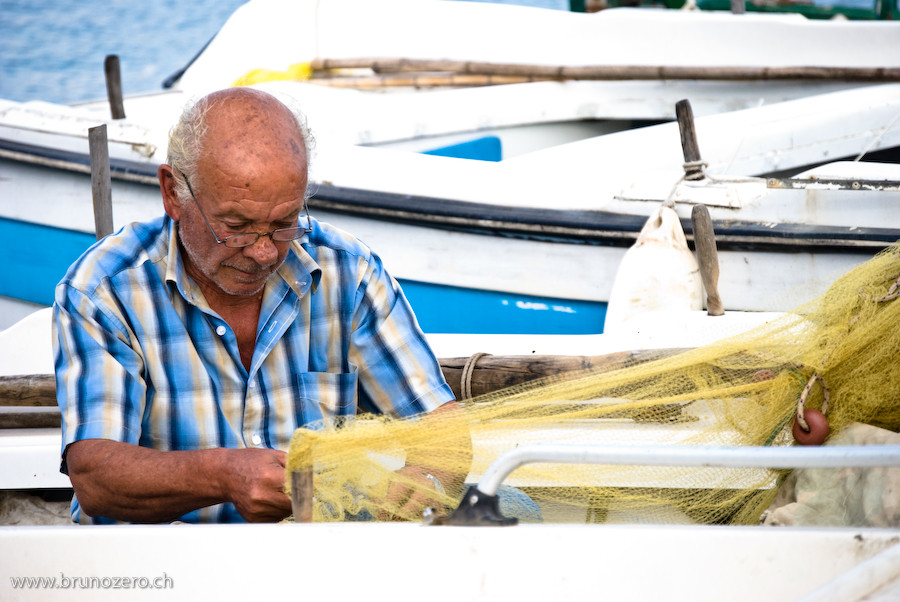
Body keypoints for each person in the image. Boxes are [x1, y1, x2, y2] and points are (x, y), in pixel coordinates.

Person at [53, 87, 467, 524]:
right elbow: (95, 476)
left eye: (284, 224)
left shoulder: (347, 271)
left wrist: (427, 479)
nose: (265, 252)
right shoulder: (104, 289)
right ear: (173, 193)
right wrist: (223, 476)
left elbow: (441, 425)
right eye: (237, 226)